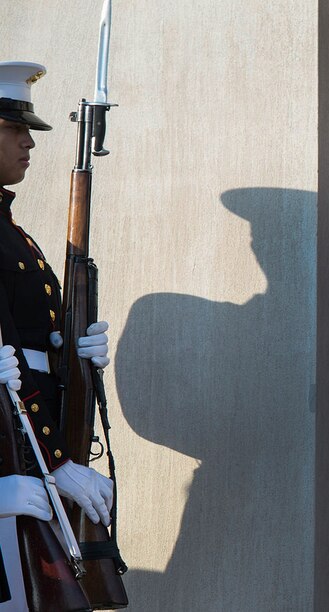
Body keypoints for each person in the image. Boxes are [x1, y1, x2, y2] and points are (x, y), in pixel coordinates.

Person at [0, 60, 116, 605]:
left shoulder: (11, 233)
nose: (28, 142)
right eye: (14, 129)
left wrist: (74, 352)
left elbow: (29, 348)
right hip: (14, 463)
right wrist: (53, 462)